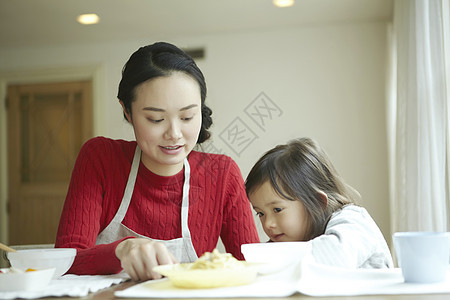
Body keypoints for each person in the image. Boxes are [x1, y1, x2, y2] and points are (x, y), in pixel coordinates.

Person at [55, 42, 260, 281]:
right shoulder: (100, 158)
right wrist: (123, 249)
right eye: (155, 119)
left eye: (187, 117)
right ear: (127, 111)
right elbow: (67, 261)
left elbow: (252, 268)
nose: (174, 133)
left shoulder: (222, 174)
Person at [245, 137, 393, 269]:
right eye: (261, 213)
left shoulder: (353, 221)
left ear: (316, 203)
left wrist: (269, 259)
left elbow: (336, 258)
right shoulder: (292, 240)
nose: (268, 224)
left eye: (277, 209)